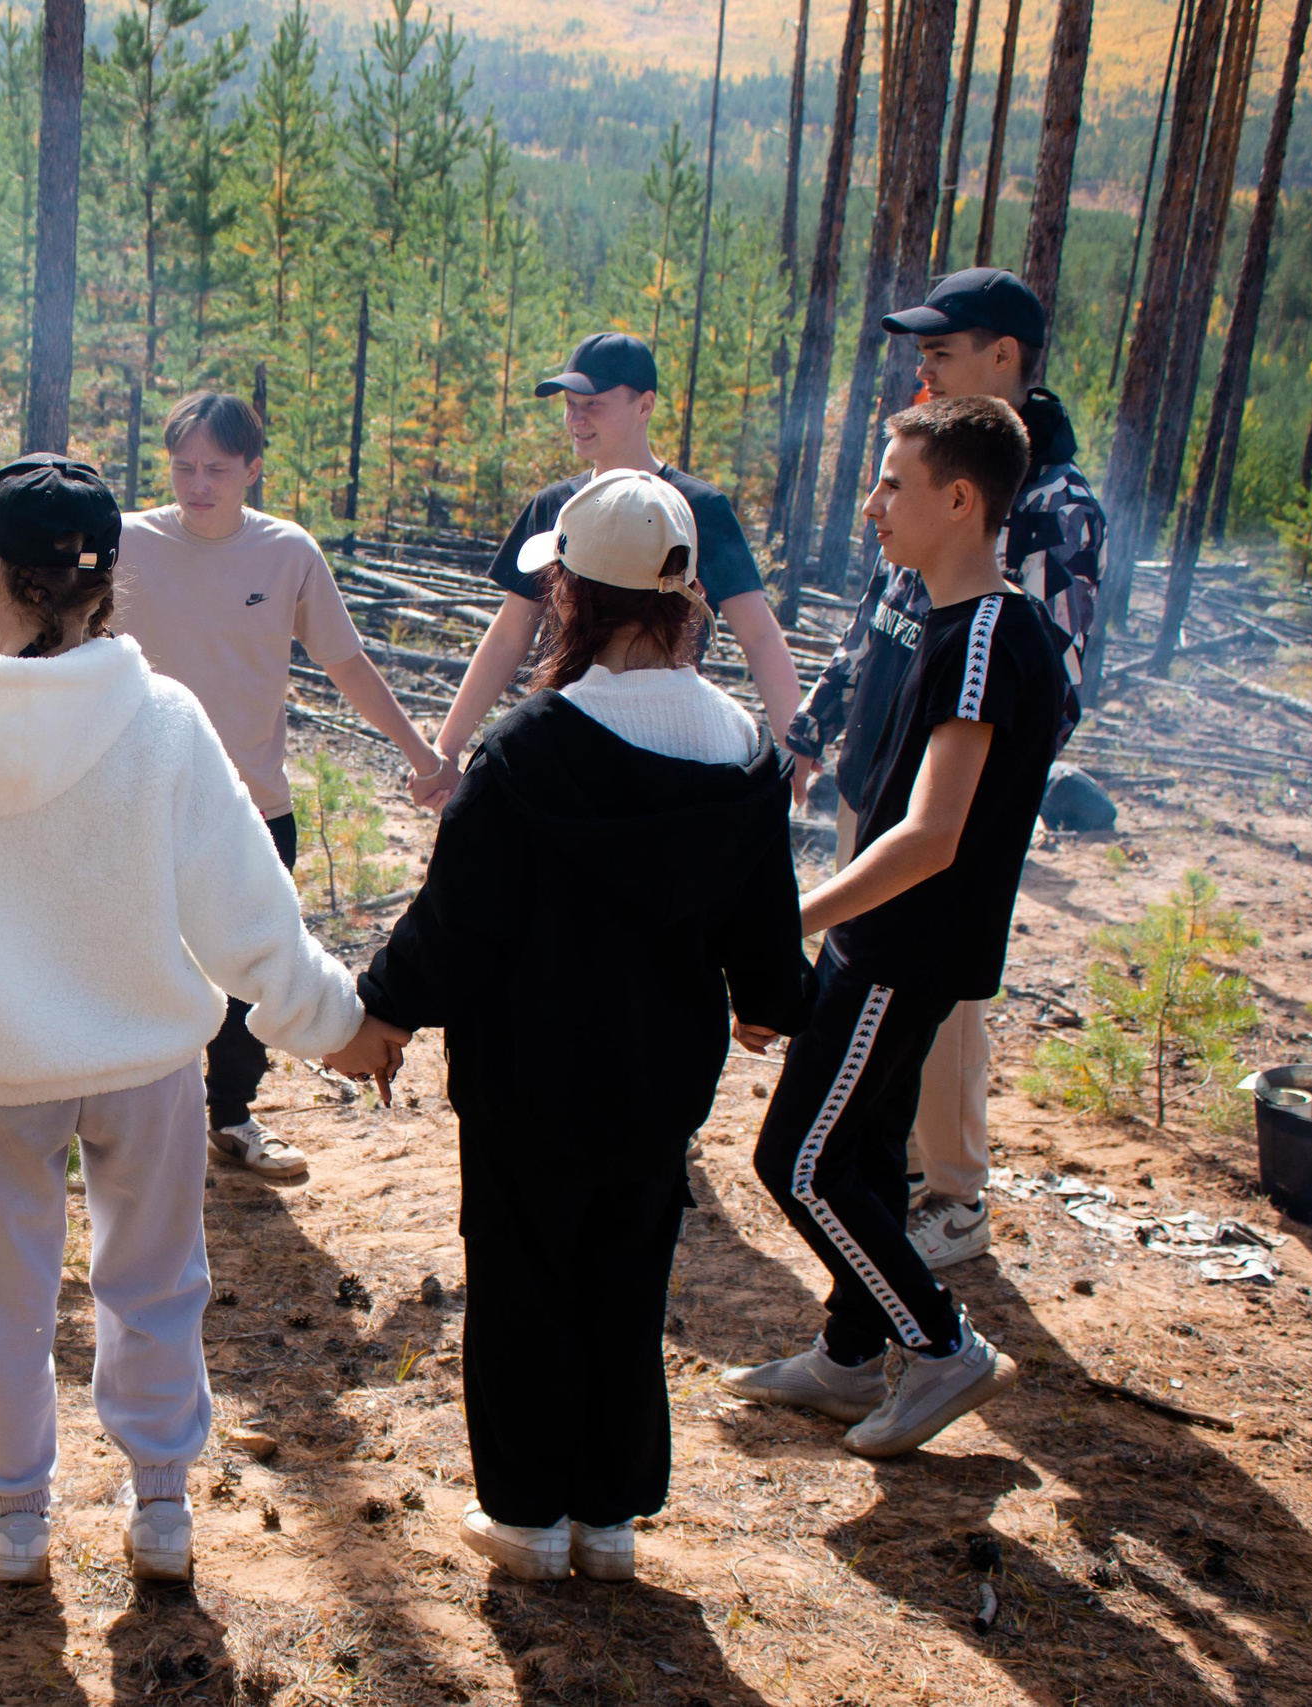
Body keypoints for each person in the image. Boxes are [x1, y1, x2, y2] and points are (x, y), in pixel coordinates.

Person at [0, 453, 381, 1588]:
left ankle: (18, 1519)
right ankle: (160, 1505)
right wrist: (331, 1019)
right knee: (154, 1282)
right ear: (110, 581)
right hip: (148, 1059)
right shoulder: (160, 719)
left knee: (1, 1300)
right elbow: (246, 910)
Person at [346, 470, 815, 1583]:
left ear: (568, 593)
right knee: (625, 1276)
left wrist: (380, 1010)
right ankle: (607, 1517)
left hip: (527, 1077)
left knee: (522, 1281)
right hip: (658, 1081)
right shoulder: (743, 749)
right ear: (686, 596)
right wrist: (763, 1003)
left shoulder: (527, 753)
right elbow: (765, 926)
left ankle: (524, 1517)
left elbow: (455, 929)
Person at [726, 396, 1064, 1458]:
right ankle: (846, 1355)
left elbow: (929, 838)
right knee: (862, 1151)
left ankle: (939, 1345)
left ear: (959, 501)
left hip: (899, 945)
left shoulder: (985, 639)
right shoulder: (933, 613)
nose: (871, 506)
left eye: (890, 484)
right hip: (880, 938)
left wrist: (786, 925)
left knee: (802, 1163)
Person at [784, 268, 1107, 1272]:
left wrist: (988, 807)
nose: (920, 362)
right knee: (858, 985)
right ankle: (876, 1177)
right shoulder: (918, 463)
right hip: (871, 774)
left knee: (931, 1003)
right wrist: (813, 727)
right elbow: (878, 618)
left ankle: (951, 1196)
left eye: (942, 347)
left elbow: (1053, 672)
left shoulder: (1053, 501)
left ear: (1003, 355)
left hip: (944, 800)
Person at [113, 390, 450, 1181]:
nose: (199, 483)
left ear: (252, 470)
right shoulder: (126, 540)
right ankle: (134, 1125)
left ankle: (230, 1114)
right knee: (139, 964)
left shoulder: (287, 551)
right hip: (139, 803)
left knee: (251, 973)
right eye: (185, 466)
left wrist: (421, 754)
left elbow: (346, 662)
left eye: (218, 469)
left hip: (254, 804)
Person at [431, 334, 803, 771]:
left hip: (665, 743)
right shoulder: (555, 507)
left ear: (645, 405)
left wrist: (794, 744)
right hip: (567, 737)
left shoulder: (698, 509)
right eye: (570, 404)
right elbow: (511, 635)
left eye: (593, 405)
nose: (576, 418)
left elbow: (758, 636)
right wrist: (447, 746)